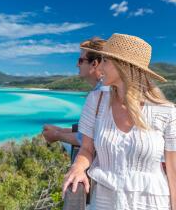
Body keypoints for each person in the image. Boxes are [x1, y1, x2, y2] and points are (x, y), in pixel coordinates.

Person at [63, 33, 176, 210]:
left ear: (123, 66)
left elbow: (172, 169)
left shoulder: (166, 111)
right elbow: (86, 148)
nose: (100, 67)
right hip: (104, 202)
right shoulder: (96, 100)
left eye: (105, 61)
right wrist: (78, 167)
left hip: (153, 204)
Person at [42, 37, 109, 152]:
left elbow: (88, 139)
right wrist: (61, 130)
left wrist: (57, 135)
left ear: (94, 63)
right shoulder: (104, 90)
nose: (77, 65)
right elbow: (92, 131)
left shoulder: (102, 94)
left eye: (80, 61)